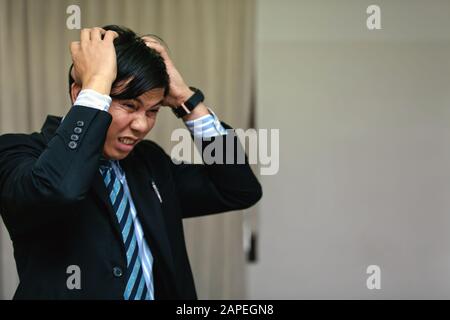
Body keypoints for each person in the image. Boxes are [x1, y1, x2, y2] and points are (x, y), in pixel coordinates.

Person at [0, 25, 262, 300]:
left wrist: (187, 100)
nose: (141, 125)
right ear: (82, 94)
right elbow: (58, 189)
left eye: (152, 111)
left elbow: (239, 189)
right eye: (129, 105)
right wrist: (98, 82)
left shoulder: (150, 162)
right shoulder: (17, 152)